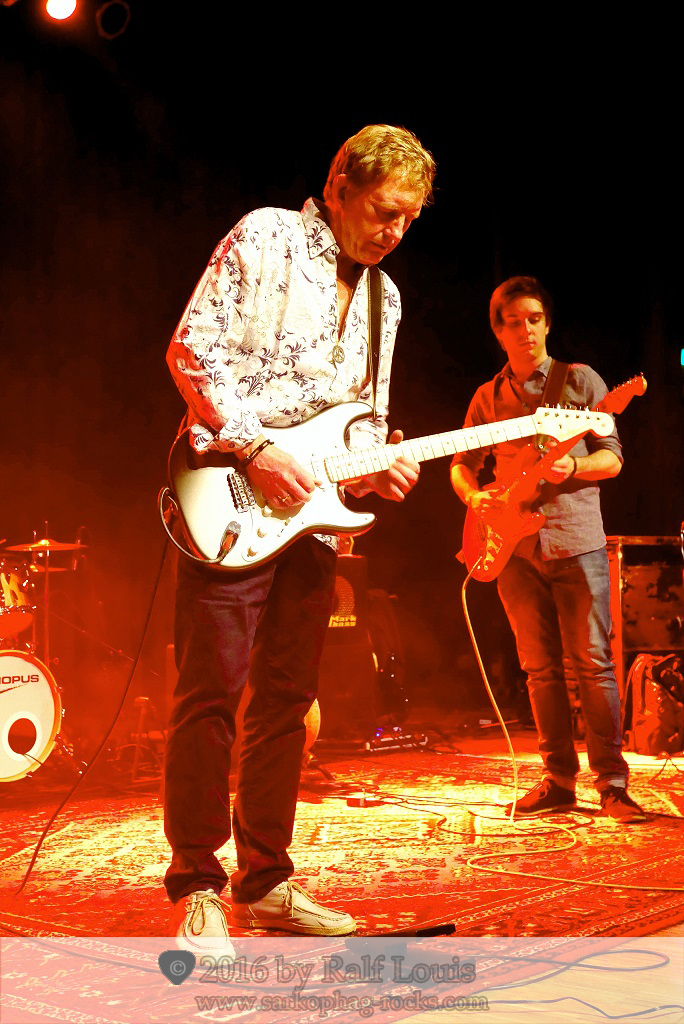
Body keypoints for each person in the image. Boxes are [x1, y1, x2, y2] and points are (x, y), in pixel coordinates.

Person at [164, 125, 436, 954]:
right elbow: (191, 351)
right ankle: (197, 884)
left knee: (287, 701)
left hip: (313, 519)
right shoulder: (266, 236)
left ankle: (267, 881)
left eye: (410, 219)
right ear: (340, 185)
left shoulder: (388, 300)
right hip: (228, 493)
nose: (395, 231)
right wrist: (256, 448)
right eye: (385, 211)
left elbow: (366, 424)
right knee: (211, 693)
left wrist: (376, 471)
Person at [450, 276, 645, 824]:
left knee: (594, 663)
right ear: (499, 331)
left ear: (547, 323)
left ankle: (612, 784)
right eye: (513, 322)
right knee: (538, 668)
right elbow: (462, 464)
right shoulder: (487, 398)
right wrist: (475, 498)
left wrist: (573, 465)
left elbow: (613, 458)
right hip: (514, 546)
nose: (526, 330)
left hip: (576, 540)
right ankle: (558, 779)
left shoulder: (580, 381)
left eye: (534, 319)